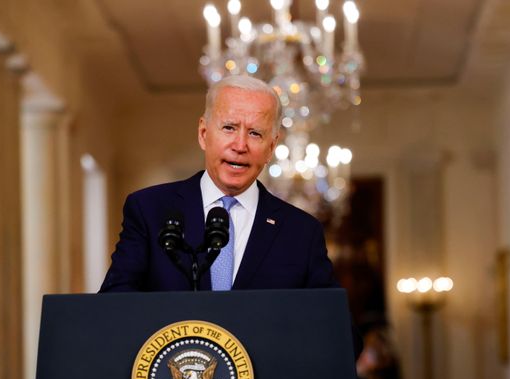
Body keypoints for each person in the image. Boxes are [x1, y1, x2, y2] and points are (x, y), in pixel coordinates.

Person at [99, 75, 338, 293]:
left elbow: (335, 329)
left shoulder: (302, 232)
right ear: (204, 133)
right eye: (229, 128)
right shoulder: (149, 211)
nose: (240, 145)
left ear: (271, 147)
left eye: (255, 133)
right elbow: (114, 311)